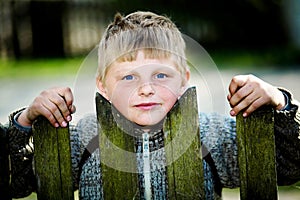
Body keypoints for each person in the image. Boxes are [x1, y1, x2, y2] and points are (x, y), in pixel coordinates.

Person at [6, 11, 300, 199]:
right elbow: (17, 182)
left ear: (183, 79)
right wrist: (24, 123)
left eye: (160, 75)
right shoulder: (84, 138)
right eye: (128, 76)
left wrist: (281, 104)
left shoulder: (209, 134)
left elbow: (289, 168)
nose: (146, 88)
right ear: (102, 86)